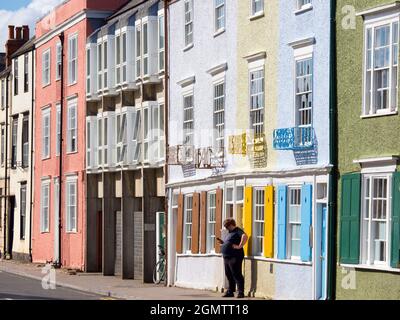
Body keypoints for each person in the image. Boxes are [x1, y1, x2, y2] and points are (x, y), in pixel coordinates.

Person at [217, 218, 248, 298]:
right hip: (227, 256)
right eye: (225, 226)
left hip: (235, 256)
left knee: (236, 273)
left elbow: (245, 236)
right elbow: (230, 242)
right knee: (229, 274)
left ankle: (241, 292)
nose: (226, 228)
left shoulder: (238, 230)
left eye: (226, 226)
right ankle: (230, 291)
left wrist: (239, 246)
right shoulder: (230, 232)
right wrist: (223, 243)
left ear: (231, 224)